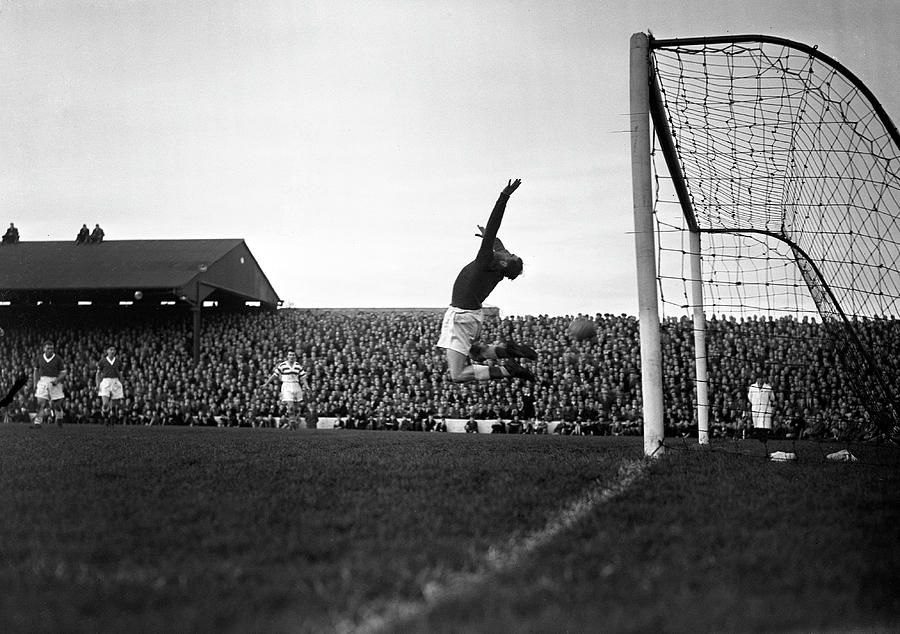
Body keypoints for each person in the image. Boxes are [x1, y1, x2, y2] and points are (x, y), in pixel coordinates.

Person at [436, 179, 537, 383]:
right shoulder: (498, 267)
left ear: (504, 264)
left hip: (461, 316)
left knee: (457, 374)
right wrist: (489, 237)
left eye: (511, 256)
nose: (508, 252)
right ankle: (507, 350)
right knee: (476, 353)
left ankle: (507, 370)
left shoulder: (485, 261)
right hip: (473, 316)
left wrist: (504, 196)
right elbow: (498, 244)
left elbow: (494, 227)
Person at [261, 351, 309, 430]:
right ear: (287, 356)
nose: (291, 356)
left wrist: (307, 386)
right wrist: (266, 384)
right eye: (290, 355)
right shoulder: (282, 365)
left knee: (296, 407)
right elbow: (274, 375)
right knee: (290, 406)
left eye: (293, 355)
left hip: (296, 385)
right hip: (287, 385)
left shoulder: (297, 365)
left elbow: (303, 377)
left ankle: (291, 421)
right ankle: (292, 422)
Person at [33, 341, 67, 427]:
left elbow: (63, 373)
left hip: (54, 380)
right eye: (48, 348)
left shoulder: (58, 358)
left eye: (52, 348)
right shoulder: (39, 358)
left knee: (57, 405)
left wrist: (58, 380)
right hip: (43, 380)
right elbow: (36, 371)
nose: (50, 350)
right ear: (44, 349)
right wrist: (35, 383)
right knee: (40, 403)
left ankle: (59, 417)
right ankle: (38, 422)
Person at [96, 345, 125, 425]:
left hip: (115, 381)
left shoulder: (118, 361)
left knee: (113, 404)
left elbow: (121, 374)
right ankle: (105, 416)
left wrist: (122, 383)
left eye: (114, 350)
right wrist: (97, 384)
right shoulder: (102, 361)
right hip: (105, 381)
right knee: (105, 404)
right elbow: (98, 374)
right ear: (107, 351)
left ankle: (111, 417)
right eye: (111, 349)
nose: (112, 351)